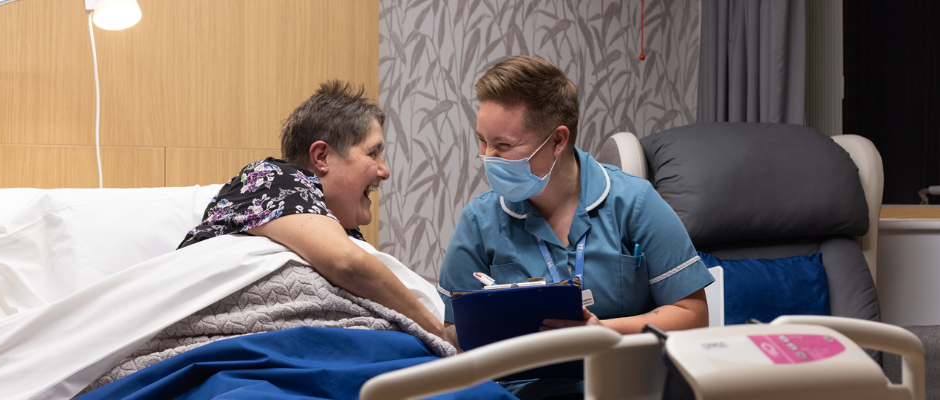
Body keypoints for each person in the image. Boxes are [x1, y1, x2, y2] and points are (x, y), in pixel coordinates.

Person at [437, 56, 713, 399]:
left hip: (623, 384)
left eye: (503, 145)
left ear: (557, 141)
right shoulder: (480, 221)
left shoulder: (635, 203)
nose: (487, 156)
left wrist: (603, 331)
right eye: (482, 141)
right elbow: (451, 330)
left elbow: (693, 315)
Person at [178, 80, 449, 344]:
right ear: (321, 157)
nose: (384, 170)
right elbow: (347, 263)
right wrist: (439, 334)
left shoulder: (336, 227)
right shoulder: (271, 179)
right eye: (373, 153)